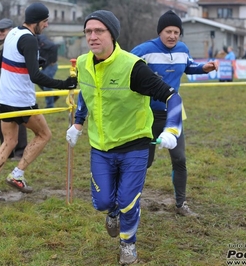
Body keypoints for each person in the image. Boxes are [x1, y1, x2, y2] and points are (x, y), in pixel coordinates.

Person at [66, 10, 183, 265]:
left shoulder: (133, 67)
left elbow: (173, 97)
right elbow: (87, 92)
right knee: (104, 202)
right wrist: (77, 123)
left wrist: (172, 129)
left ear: (113, 34)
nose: (93, 37)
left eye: (99, 31)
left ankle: (128, 244)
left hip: (135, 146)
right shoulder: (84, 63)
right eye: (88, 32)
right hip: (100, 146)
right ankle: (112, 213)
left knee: (128, 202)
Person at [0, 2, 77, 201]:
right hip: (21, 101)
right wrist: (64, 84)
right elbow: (35, 77)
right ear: (37, 22)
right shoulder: (30, 40)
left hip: (4, 98)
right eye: (45, 22)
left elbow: (2, 62)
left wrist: (33, 61)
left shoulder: (12, 34)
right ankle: (17, 174)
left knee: (9, 141)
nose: (47, 26)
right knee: (44, 134)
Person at [131, 10, 218, 216]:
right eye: (168, 31)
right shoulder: (143, 51)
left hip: (173, 114)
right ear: (160, 31)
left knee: (179, 159)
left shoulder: (182, 49)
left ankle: (180, 205)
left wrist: (203, 68)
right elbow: (124, 68)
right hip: (147, 115)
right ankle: (131, 202)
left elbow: (188, 66)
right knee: (145, 162)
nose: (172, 36)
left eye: (176, 32)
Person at [0, 18, 27, 161]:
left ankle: (19, 151)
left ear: (11, 31)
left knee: (18, 121)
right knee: (1, 121)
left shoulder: (13, 45)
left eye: (3, 31)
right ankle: (6, 150)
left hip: (11, 90)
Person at [37, 34, 59, 108]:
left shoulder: (42, 41)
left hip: (50, 66)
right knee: (38, 79)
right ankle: (53, 96)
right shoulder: (37, 43)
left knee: (46, 85)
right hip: (45, 67)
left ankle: (50, 105)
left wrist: (53, 60)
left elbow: (54, 47)